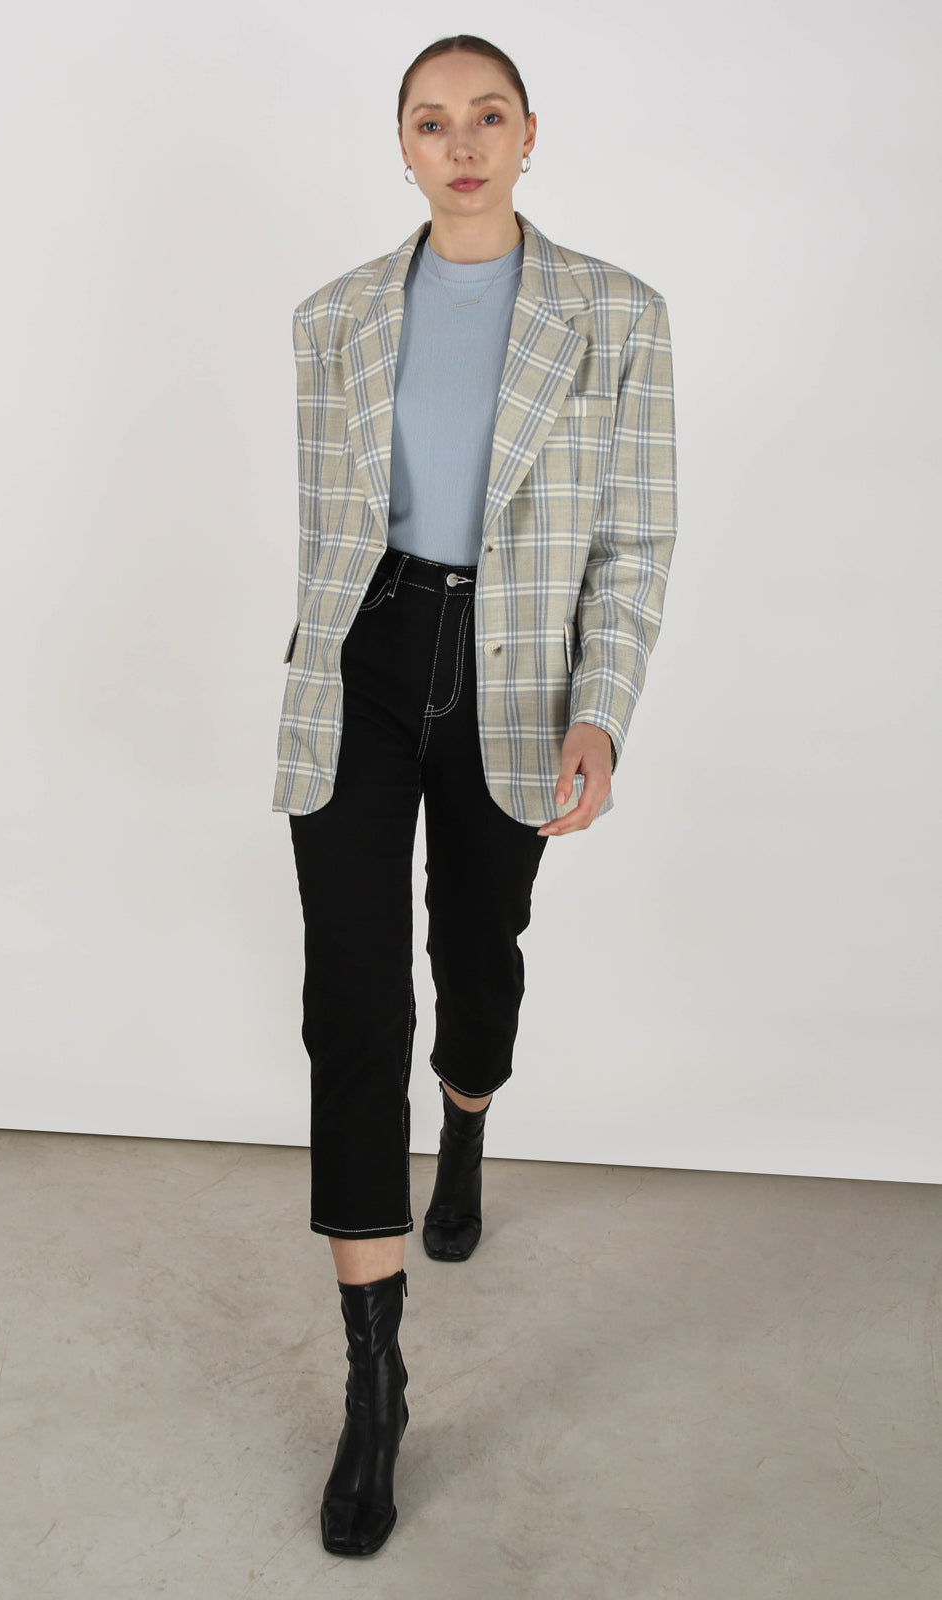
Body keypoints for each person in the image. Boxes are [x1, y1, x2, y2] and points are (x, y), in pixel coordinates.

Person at [271, 34, 677, 1557]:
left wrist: (601, 712)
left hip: (516, 675)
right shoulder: (331, 320)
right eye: (432, 121)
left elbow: (635, 541)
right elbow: (329, 535)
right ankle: (375, 1384)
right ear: (402, 144)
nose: (461, 144)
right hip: (364, 662)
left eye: (485, 117)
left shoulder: (617, 315)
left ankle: (468, 1118)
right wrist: (319, 672)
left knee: (476, 955)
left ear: (527, 134)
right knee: (351, 996)